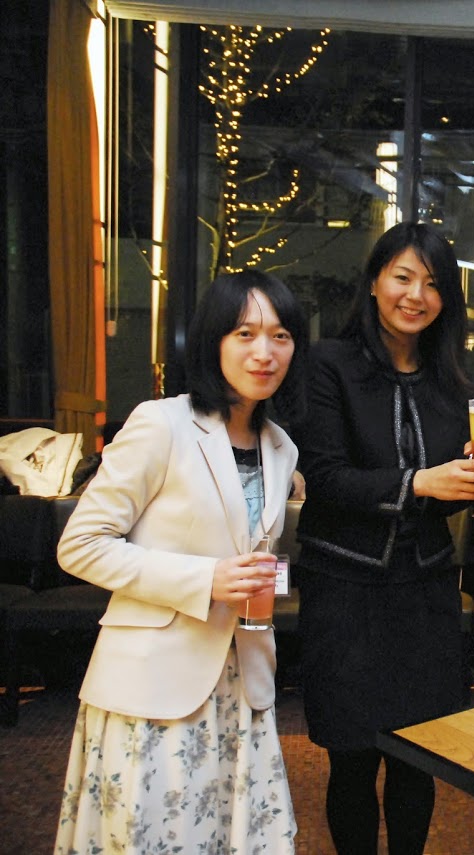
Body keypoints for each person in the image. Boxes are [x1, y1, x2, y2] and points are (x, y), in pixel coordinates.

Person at [55, 270, 306, 854]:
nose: (265, 352)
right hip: (155, 680)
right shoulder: (161, 423)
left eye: (281, 335)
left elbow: (251, 554)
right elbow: (81, 544)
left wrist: (266, 580)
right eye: (245, 334)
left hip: (242, 680)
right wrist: (205, 579)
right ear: (213, 340)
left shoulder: (280, 446)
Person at [293, 223, 474, 855]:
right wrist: (421, 482)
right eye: (403, 277)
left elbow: (448, 493)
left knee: (418, 754)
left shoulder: (451, 382)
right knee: (352, 758)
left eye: (433, 284)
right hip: (345, 589)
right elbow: (326, 478)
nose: (416, 295)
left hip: (425, 590)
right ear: (374, 282)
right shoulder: (327, 365)